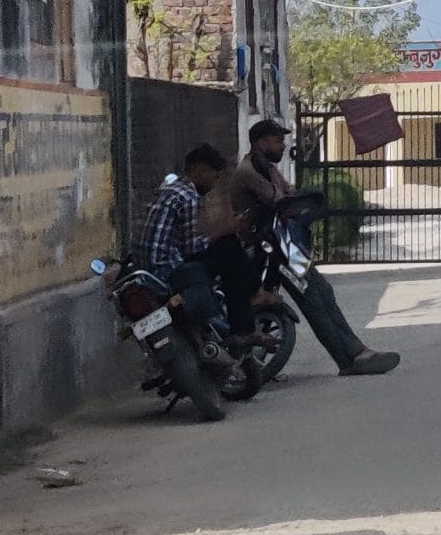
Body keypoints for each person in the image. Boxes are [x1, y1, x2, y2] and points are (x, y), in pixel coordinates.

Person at [201, 117, 401, 377]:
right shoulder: (248, 172)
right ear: (261, 142)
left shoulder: (267, 168)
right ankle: (349, 358)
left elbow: (288, 194)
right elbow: (280, 200)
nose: (283, 146)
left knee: (322, 291)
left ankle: (357, 351)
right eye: (278, 141)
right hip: (266, 252)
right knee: (313, 298)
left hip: (282, 247)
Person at [133, 143, 235, 359]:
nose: (215, 184)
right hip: (163, 268)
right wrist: (217, 235)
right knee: (211, 277)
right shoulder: (188, 197)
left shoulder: (168, 190)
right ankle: (227, 335)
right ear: (201, 172)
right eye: (214, 178)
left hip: (144, 267)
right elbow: (191, 248)